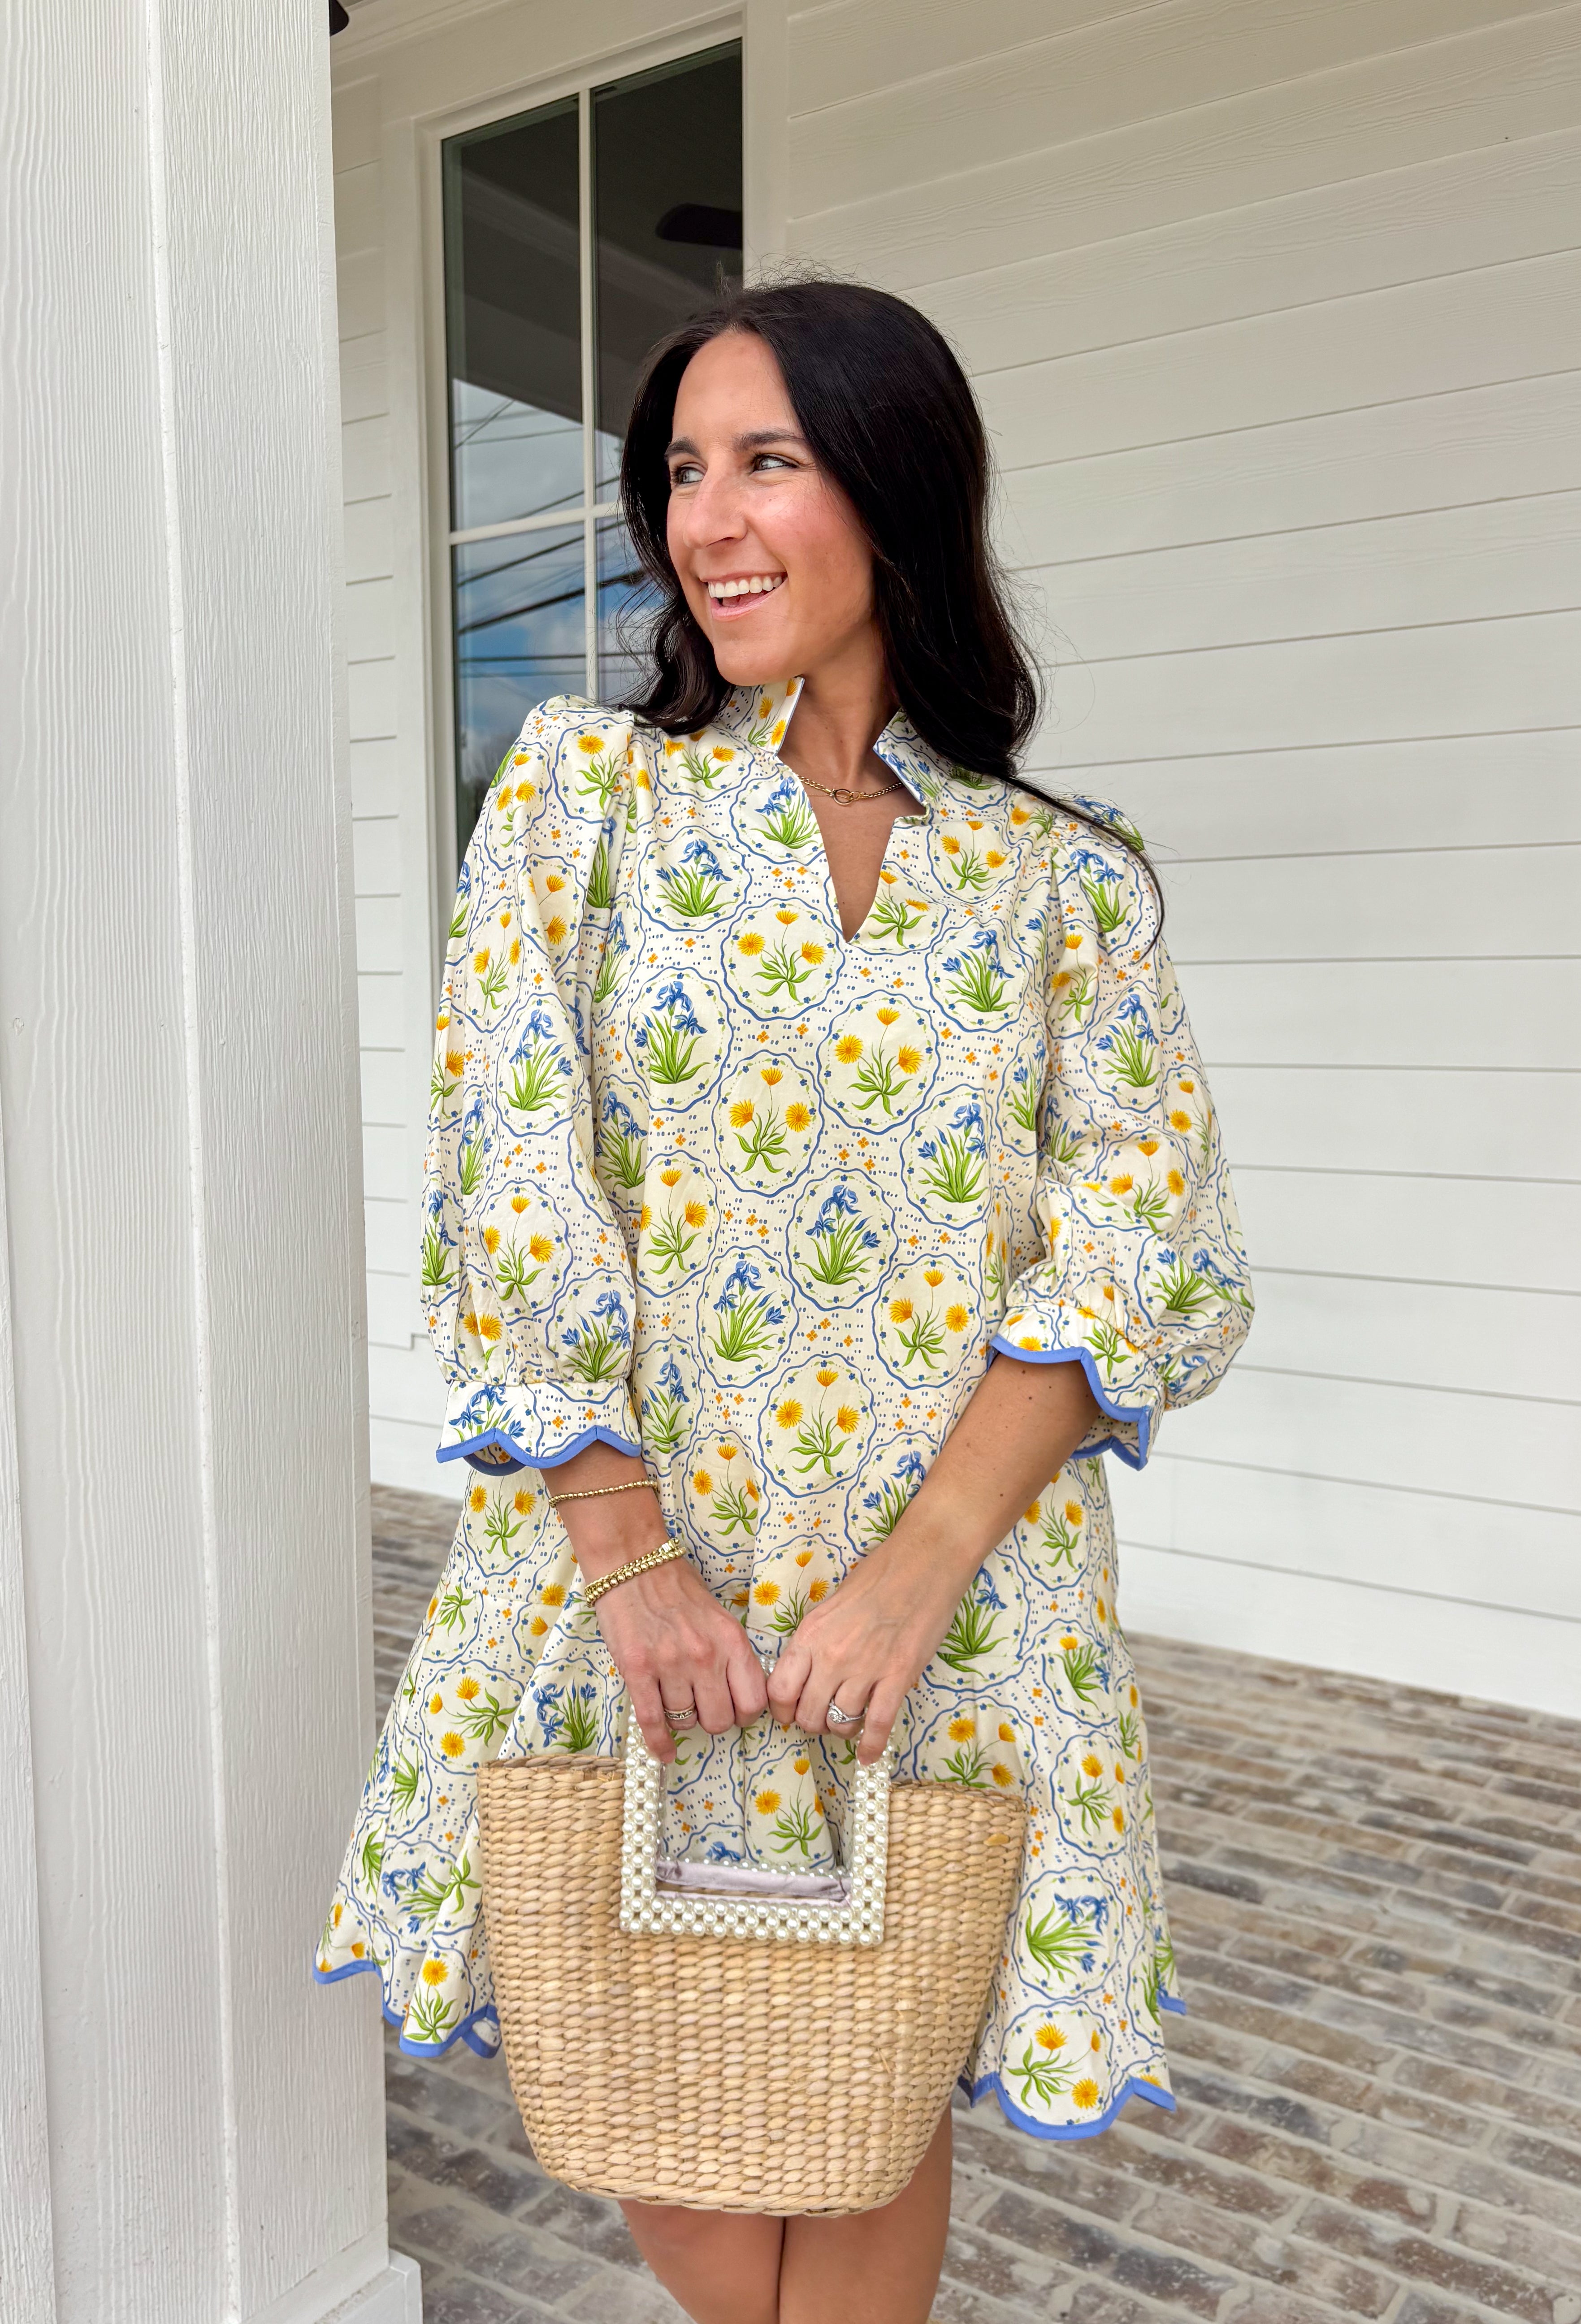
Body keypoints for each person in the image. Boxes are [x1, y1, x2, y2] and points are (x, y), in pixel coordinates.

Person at [317, 278, 1253, 2324]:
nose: (704, 523)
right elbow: (512, 1179)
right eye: (678, 472)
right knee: (676, 2128)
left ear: (896, 491)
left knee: (872, 2097)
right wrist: (626, 1550)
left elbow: (1147, 1245)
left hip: (948, 1607)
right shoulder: (586, 801)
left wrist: (920, 1570)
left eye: (768, 463)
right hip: (647, 1591)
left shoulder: (1060, 878)